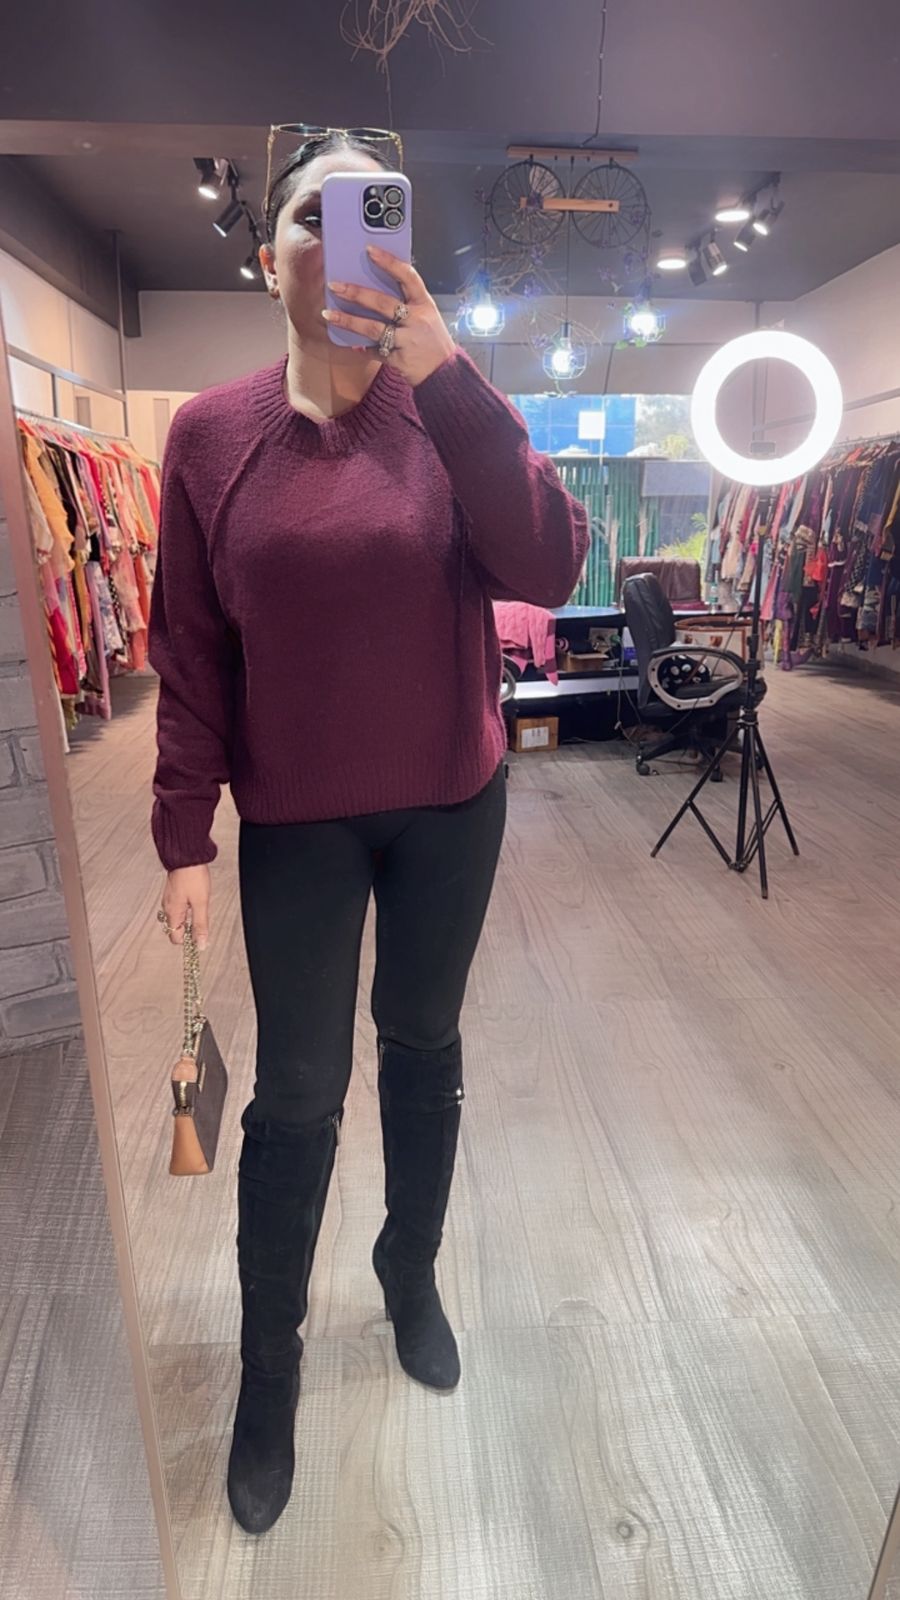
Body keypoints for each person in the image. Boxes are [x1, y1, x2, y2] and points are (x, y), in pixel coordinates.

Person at [150, 131, 588, 1536]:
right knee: (295, 1094)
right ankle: (269, 1367)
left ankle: (410, 1271)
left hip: (452, 800)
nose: (341, 241)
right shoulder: (210, 435)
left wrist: (447, 372)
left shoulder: (445, 405)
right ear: (266, 254)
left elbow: (548, 564)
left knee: (423, 1043)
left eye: (371, 215)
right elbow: (189, 651)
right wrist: (182, 836)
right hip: (296, 818)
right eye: (313, 217)